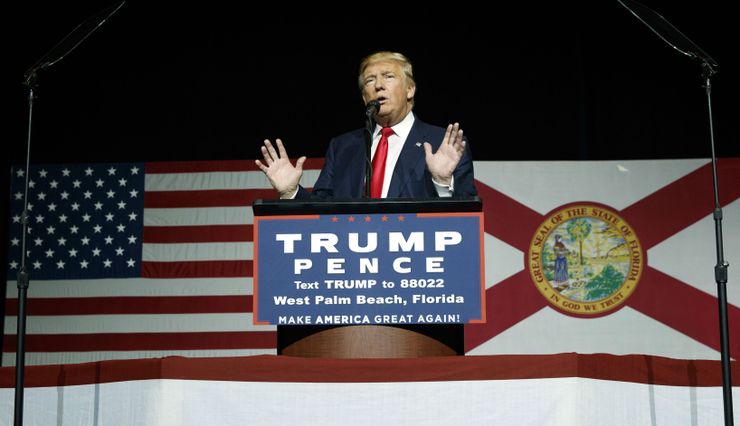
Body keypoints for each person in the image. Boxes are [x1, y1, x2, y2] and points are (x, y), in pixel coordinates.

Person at [256, 51, 476, 199]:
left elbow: (467, 216)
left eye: (388, 77)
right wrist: (292, 193)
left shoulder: (443, 144)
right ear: (364, 97)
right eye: (370, 80)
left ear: (410, 90)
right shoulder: (342, 147)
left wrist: (443, 182)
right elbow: (322, 212)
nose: (379, 86)